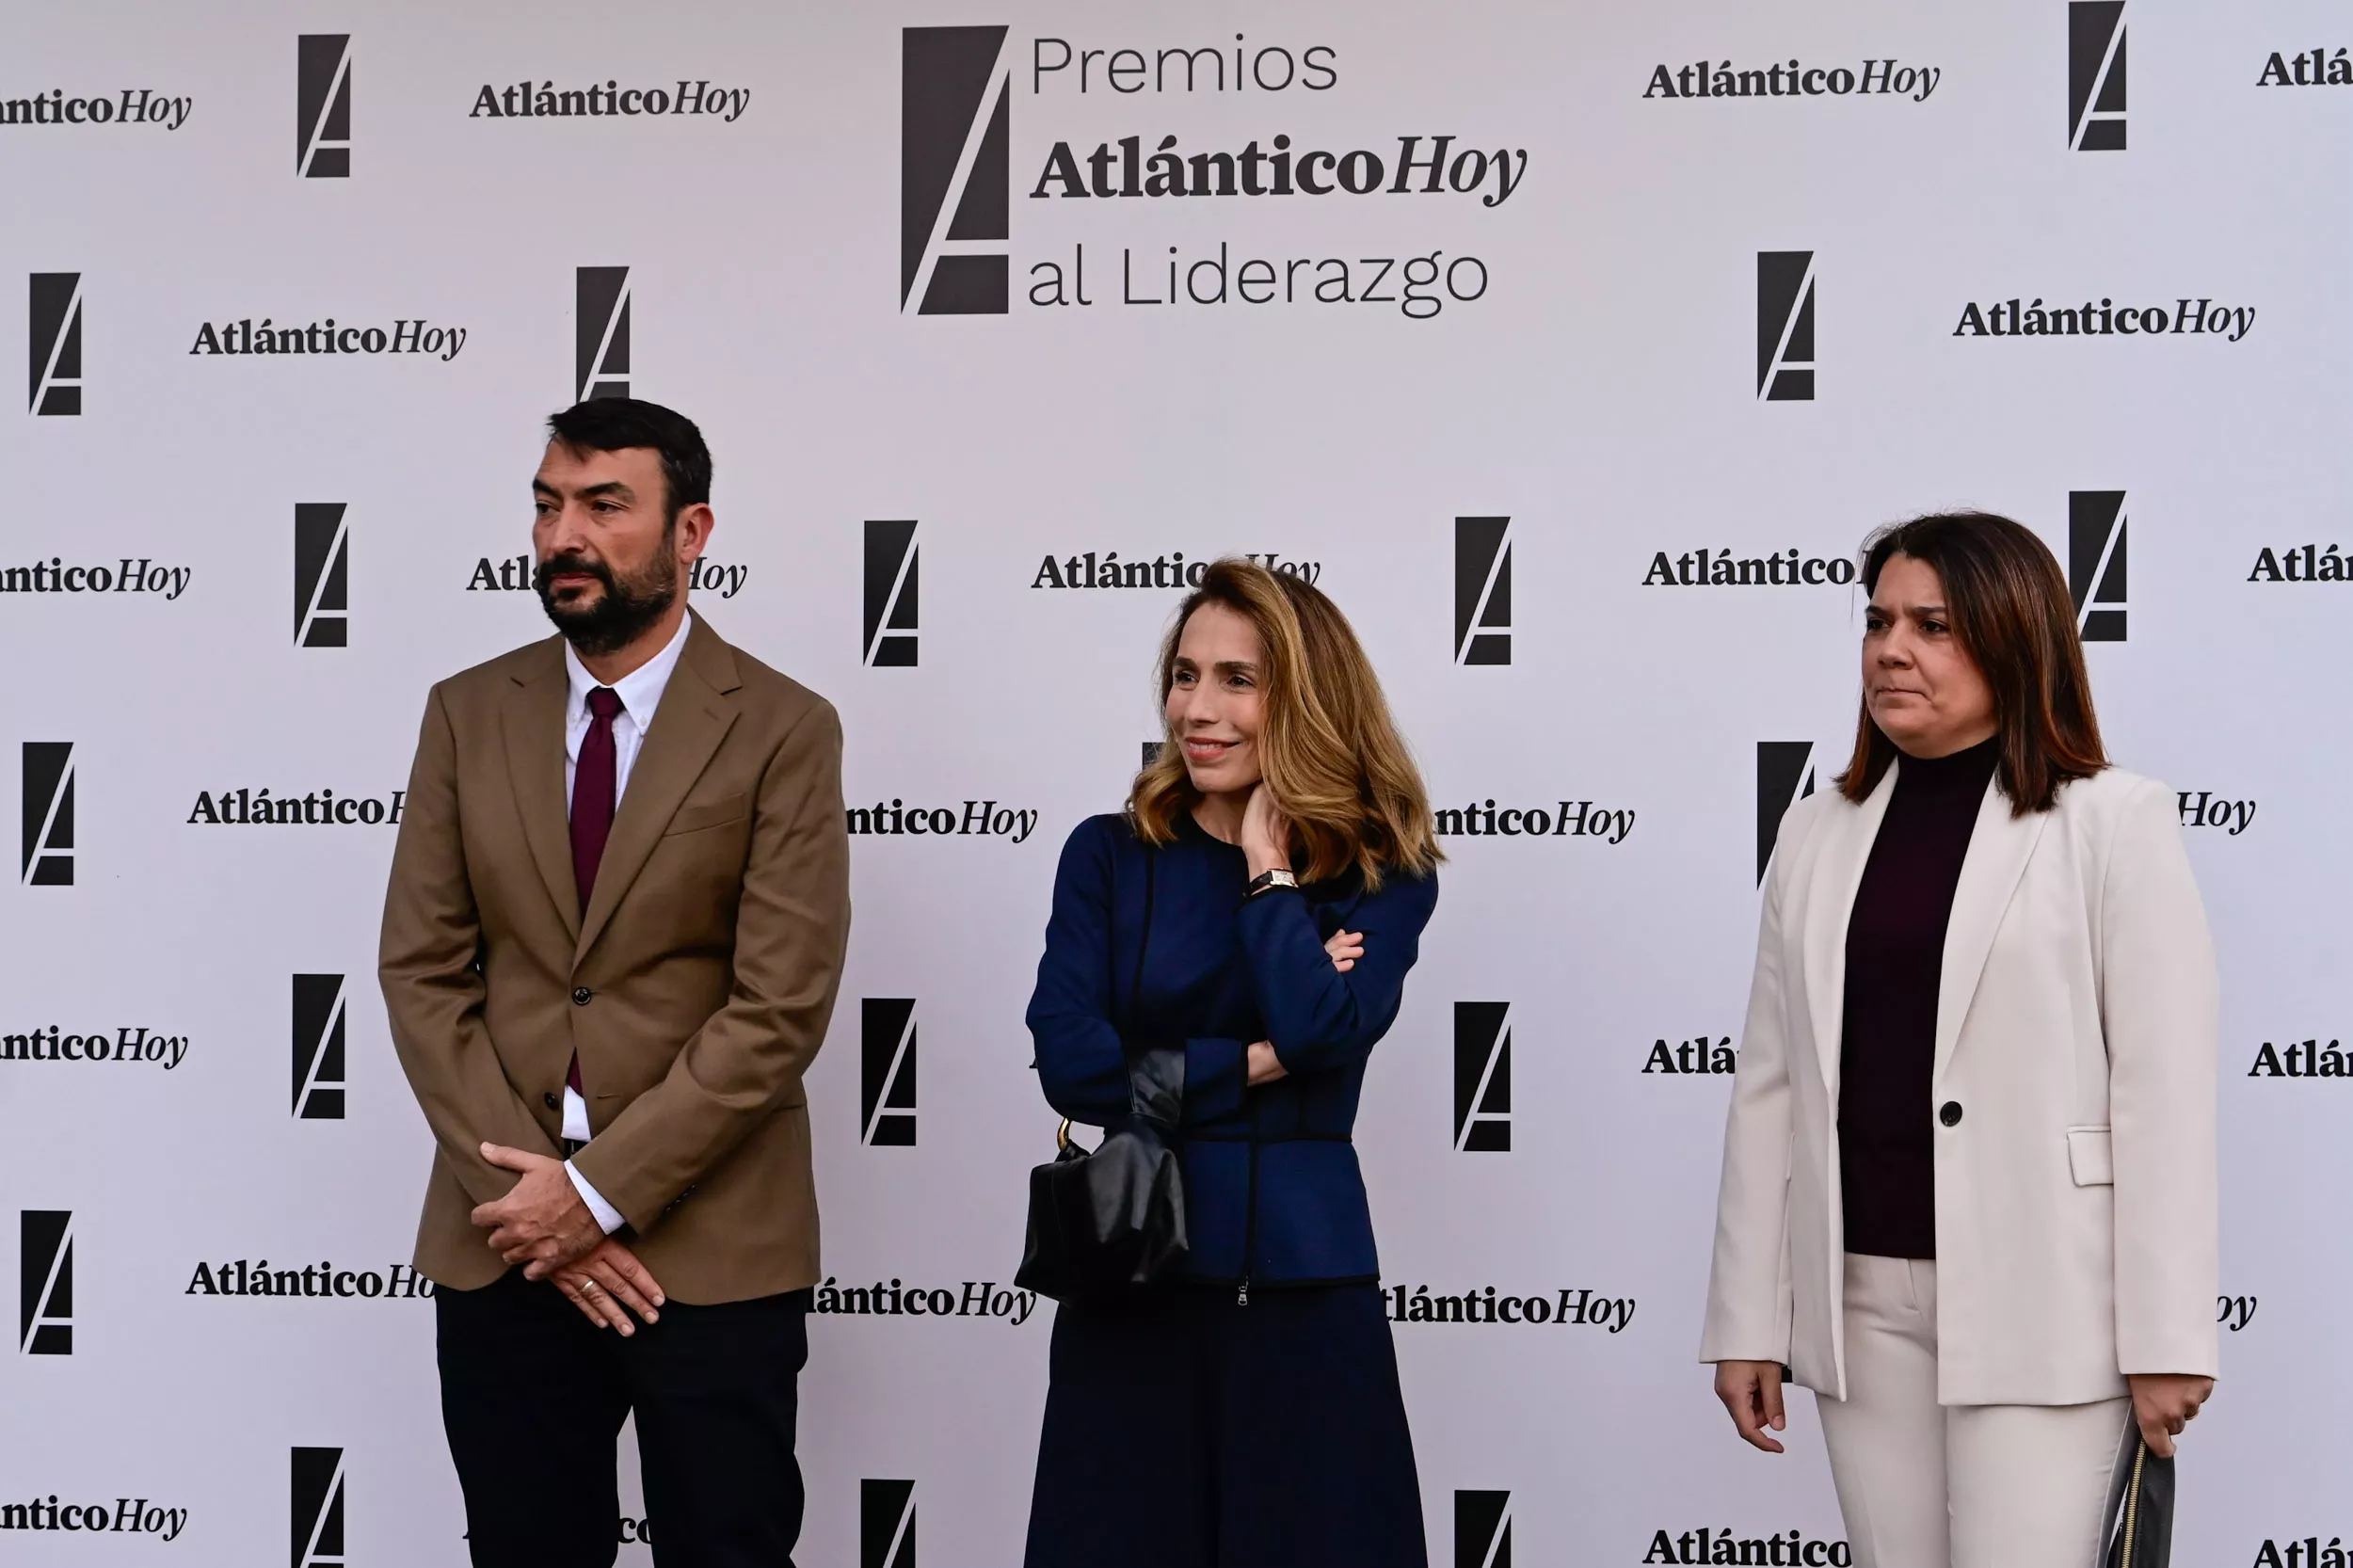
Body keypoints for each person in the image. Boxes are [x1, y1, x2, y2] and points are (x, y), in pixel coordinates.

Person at [378, 398, 850, 1568]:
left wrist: (592, 1200)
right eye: (547, 504)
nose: (562, 535)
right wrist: (540, 1215)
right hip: (505, 1245)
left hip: (713, 1247)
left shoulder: (784, 727)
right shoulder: (466, 712)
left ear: (691, 531)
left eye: (602, 505)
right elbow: (423, 972)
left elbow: (778, 1007)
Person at [1701, 512, 2219, 1568]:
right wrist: (1748, 1317)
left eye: (1932, 624)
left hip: (2047, 1301)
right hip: (1857, 1303)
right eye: (1878, 619)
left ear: (2013, 640)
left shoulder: (2112, 820)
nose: (1891, 647)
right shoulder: (1815, 828)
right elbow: (1770, 1087)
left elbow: (2163, 1097)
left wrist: (2166, 1338)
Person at [1022, 559, 1442, 1568]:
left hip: (1302, 1290)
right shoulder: (1108, 855)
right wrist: (1256, 1058)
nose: (1196, 709)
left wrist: (1268, 873)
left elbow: (1327, 1033)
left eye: (1236, 681)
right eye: (1183, 674)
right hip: (1132, 1276)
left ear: (1304, 698)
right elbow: (1071, 1063)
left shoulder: (1383, 873)